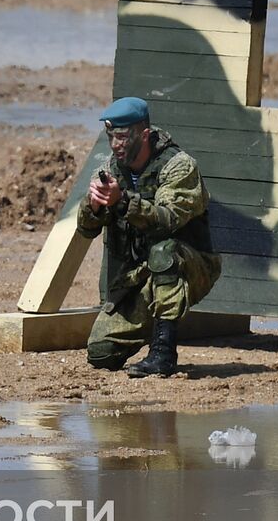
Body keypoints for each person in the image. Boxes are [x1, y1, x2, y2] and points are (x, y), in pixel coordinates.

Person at [77, 97, 221, 377]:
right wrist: (94, 206)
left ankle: (164, 353)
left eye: (121, 137)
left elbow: (166, 221)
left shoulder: (178, 166)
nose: (115, 144)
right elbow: (86, 229)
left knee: (163, 251)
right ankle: (151, 322)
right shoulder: (111, 169)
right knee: (101, 352)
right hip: (139, 276)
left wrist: (121, 202)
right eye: (110, 136)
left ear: (143, 134)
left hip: (190, 265)